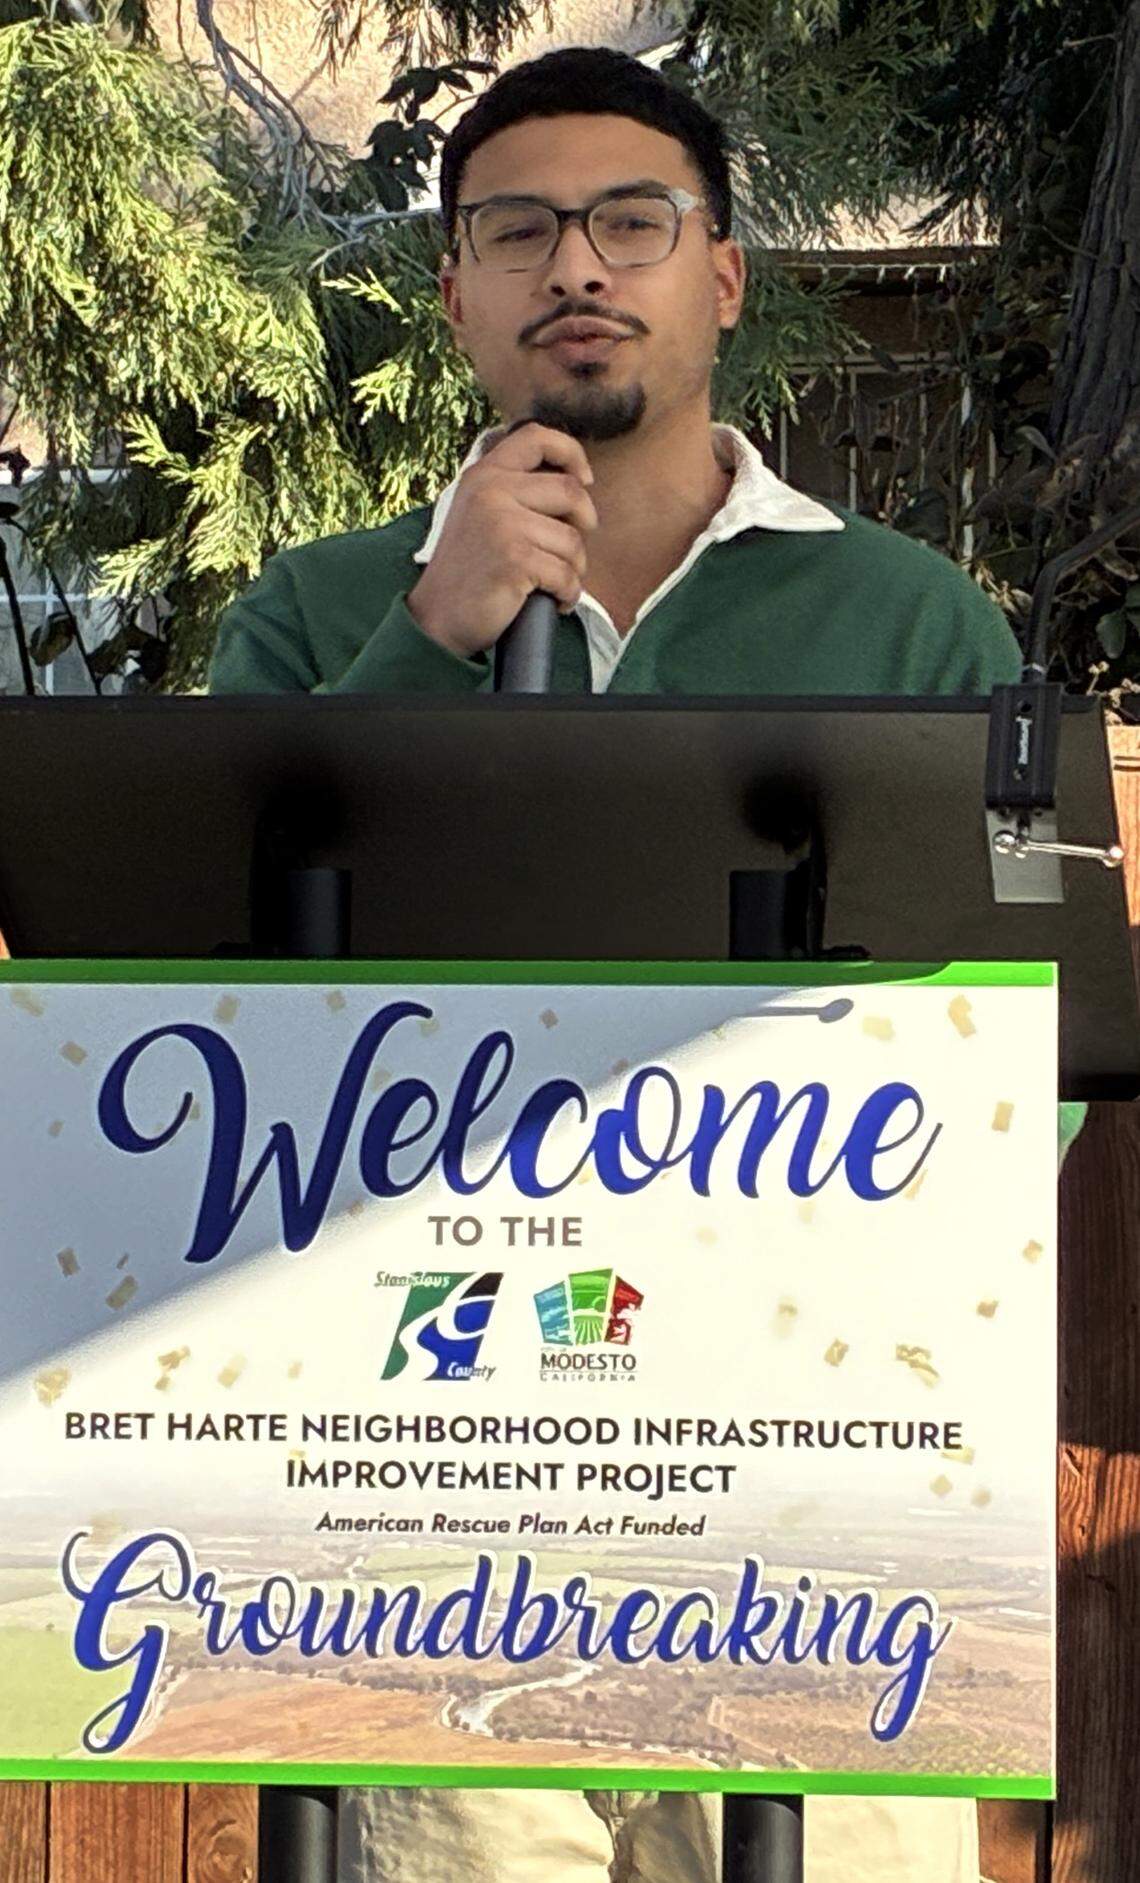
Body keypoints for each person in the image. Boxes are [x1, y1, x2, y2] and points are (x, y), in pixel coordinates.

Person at [209, 44, 1046, 1883]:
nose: (575, 267)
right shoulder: (315, 615)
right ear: (456, 299)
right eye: (516, 231)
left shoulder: (922, 619)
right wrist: (435, 640)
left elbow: (1034, 1049)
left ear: (721, 278)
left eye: (630, 222)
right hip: (432, 1477)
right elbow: (197, 1012)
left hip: (821, 1484)